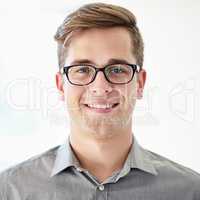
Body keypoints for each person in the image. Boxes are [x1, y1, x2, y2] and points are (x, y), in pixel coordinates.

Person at [0, 2, 200, 199]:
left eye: (117, 70)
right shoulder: (9, 190)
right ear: (61, 85)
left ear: (139, 83)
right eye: (83, 70)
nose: (100, 86)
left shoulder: (191, 191)